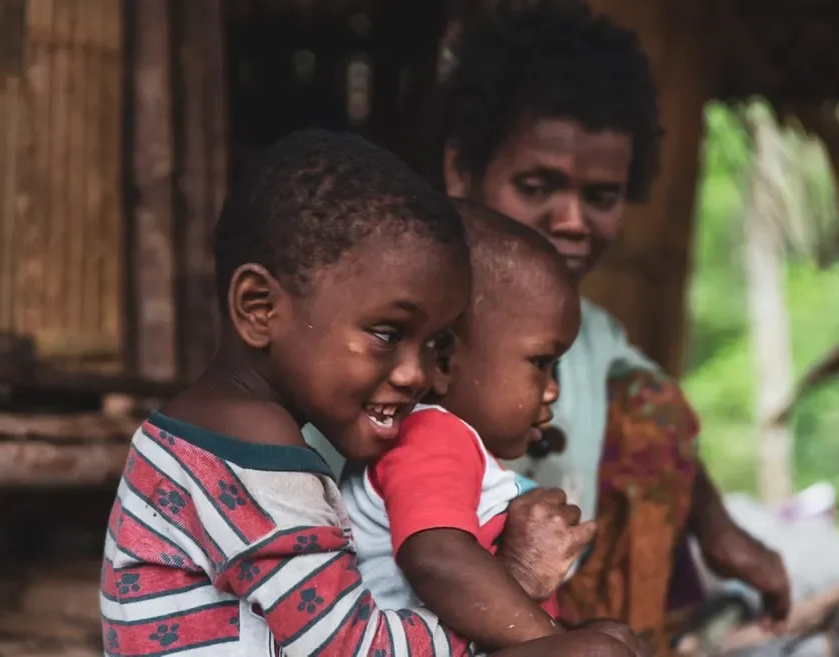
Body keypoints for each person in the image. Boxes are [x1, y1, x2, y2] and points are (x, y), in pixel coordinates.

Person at [100, 129, 630, 657]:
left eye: (434, 345)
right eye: (387, 334)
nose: (416, 374)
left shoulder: (220, 434)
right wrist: (517, 581)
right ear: (259, 307)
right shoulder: (248, 446)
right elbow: (354, 648)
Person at [433, 2, 792, 653]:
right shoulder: (413, 323)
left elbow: (663, 419)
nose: (572, 219)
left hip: (561, 597)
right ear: (462, 170)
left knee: (653, 409)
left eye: (601, 197)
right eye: (539, 183)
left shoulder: (596, 333)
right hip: (430, 610)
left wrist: (718, 528)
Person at [342, 201, 647, 655]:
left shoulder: (458, 447)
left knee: (613, 638)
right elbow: (435, 560)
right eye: (541, 364)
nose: (552, 392)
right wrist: (553, 640)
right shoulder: (430, 434)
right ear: (445, 361)